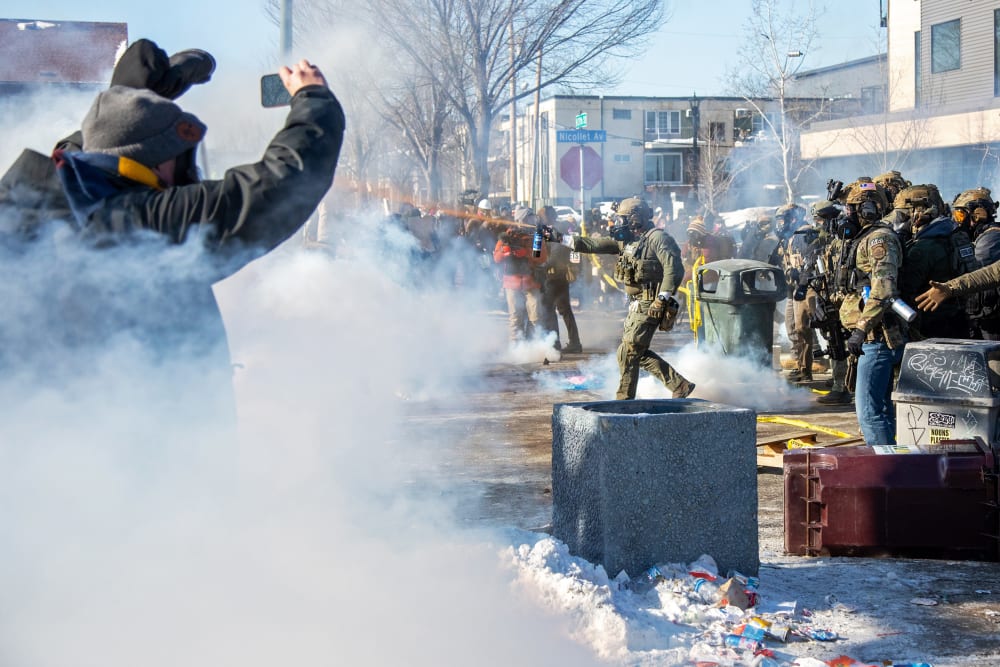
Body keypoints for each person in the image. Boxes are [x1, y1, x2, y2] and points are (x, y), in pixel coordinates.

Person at [44, 58, 344, 386]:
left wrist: (129, 100)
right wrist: (313, 97)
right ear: (156, 162)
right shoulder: (145, 223)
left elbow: (85, 151)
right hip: (152, 426)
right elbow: (281, 183)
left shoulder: (48, 201)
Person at [544, 197, 695, 400]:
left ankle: (624, 400)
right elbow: (593, 244)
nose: (619, 223)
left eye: (623, 219)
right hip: (636, 303)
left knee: (630, 350)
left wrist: (662, 299)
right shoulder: (628, 240)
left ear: (636, 218)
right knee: (630, 351)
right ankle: (679, 384)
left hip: (651, 302)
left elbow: (674, 270)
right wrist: (559, 238)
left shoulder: (658, 238)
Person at [838, 181, 905, 445]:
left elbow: (883, 287)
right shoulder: (865, 238)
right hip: (872, 338)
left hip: (878, 338)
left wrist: (861, 329)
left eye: (852, 209)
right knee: (882, 410)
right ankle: (893, 469)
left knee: (870, 413)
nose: (848, 215)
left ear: (866, 209)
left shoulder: (880, 239)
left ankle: (884, 474)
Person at [894, 184, 970, 340]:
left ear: (919, 213)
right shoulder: (951, 232)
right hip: (956, 317)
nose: (902, 221)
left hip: (931, 325)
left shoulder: (924, 248)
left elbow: (903, 287)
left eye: (903, 215)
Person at [776, 203, 818, 383]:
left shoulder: (805, 233)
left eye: (782, 219)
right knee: (791, 326)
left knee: (803, 327)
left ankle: (807, 369)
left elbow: (812, 261)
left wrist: (801, 276)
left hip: (806, 288)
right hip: (792, 289)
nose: (779, 224)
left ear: (793, 218)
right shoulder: (787, 237)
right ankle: (799, 365)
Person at [493, 210, 547, 343]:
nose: (532, 220)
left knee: (536, 317)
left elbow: (541, 257)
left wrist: (526, 253)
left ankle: (536, 346)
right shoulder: (506, 236)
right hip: (512, 281)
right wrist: (505, 252)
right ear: (521, 219)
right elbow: (496, 258)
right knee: (515, 317)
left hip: (532, 281)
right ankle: (516, 347)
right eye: (529, 218)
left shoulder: (536, 236)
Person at [539, 205, 582, 353]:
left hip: (554, 275)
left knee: (549, 309)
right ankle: (575, 343)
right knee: (565, 310)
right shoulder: (558, 228)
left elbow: (555, 253)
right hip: (560, 274)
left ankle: (555, 344)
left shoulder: (551, 230)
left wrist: (543, 266)